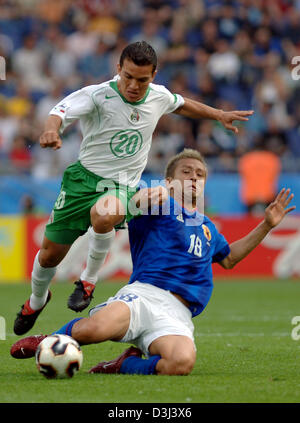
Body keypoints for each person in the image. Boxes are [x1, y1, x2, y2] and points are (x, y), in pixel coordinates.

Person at [13, 41, 254, 337]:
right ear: (118, 69)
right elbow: (60, 110)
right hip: (81, 181)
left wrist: (218, 114)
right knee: (49, 256)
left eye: (143, 80)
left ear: (154, 75)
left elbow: (182, 104)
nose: (134, 85)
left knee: (105, 215)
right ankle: (37, 301)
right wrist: (52, 129)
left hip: (121, 184)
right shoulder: (98, 95)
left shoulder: (158, 96)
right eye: (128, 77)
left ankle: (88, 281)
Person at [11, 149, 295, 376]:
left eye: (200, 174)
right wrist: (141, 198)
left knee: (181, 364)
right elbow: (117, 212)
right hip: (143, 296)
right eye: (186, 172)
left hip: (178, 314)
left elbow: (230, 258)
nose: (194, 177)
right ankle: (49, 341)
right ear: (169, 182)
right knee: (96, 330)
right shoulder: (157, 204)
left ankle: (125, 365)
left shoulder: (208, 227)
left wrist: (266, 225)